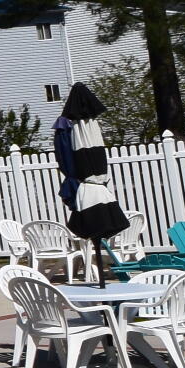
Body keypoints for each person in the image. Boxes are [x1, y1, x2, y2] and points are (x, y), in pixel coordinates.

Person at [55, 83, 129, 272]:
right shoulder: (73, 129)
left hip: (92, 190)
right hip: (93, 189)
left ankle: (97, 274)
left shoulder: (79, 130)